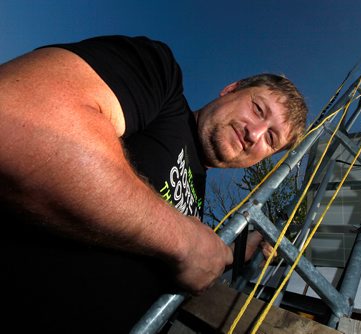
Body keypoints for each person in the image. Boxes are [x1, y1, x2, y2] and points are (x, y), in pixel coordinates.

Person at [0, 35, 307, 333]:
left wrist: (240, 248)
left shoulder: (198, 204)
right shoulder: (161, 82)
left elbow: (194, 256)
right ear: (230, 89)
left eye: (271, 138)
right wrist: (184, 241)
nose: (255, 133)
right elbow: (17, 115)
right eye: (257, 109)